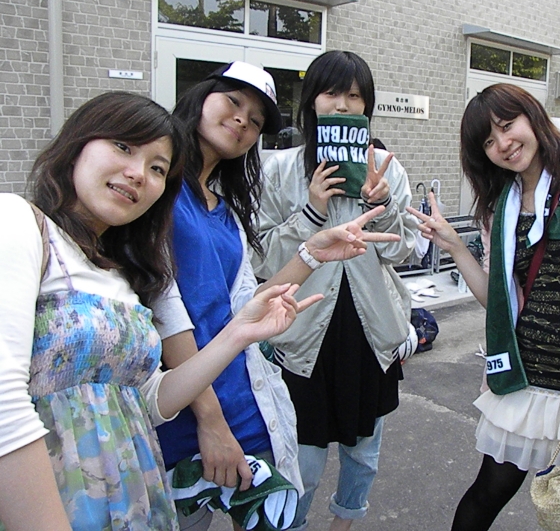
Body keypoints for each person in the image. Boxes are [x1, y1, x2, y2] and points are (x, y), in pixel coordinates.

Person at [0, 92, 322, 531]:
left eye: (156, 168)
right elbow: (5, 404)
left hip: (135, 499)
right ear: (77, 144)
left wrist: (239, 333)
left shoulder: (122, 275)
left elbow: (146, 400)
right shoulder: (19, 223)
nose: (138, 173)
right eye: (123, 147)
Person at [153, 62, 401, 531]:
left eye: (257, 119)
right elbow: (173, 308)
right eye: (233, 102)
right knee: (297, 470)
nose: (243, 121)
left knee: (359, 453)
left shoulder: (223, 208)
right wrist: (312, 215)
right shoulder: (168, 191)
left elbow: (247, 301)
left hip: (346, 349)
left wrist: (362, 218)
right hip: (263, 366)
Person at [408, 83, 560, 531]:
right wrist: (456, 246)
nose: (503, 144)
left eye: (508, 125)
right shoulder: (503, 206)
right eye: (488, 141)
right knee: (487, 493)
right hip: (526, 380)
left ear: (533, 117)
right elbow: (497, 301)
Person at [252, 50, 416, 531]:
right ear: (311, 101)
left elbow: (404, 251)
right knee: (301, 461)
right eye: (331, 93)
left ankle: (345, 520)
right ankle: (294, 523)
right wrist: (311, 211)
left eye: (355, 96)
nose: (342, 105)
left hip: (370, 334)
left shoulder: (386, 168)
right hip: (302, 335)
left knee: (363, 452)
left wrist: (383, 206)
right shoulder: (280, 169)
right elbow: (262, 259)